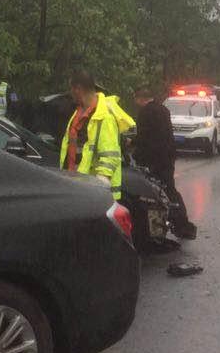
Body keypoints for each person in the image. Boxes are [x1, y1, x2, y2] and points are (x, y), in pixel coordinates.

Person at [133, 85, 196, 239]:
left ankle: (157, 229)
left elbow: (145, 138)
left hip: (152, 161)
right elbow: (163, 136)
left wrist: (135, 152)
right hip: (167, 159)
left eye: (136, 100)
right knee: (170, 191)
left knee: (152, 195)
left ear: (140, 98)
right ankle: (182, 224)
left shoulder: (145, 113)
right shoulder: (163, 110)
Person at [59, 72, 123, 199]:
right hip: (76, 183)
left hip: (93, 191)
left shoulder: (105, 116)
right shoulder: (78, 112)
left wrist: (101, 182)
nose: (70, 93)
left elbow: (110, 155)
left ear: (78, 89)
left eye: (71, 88)